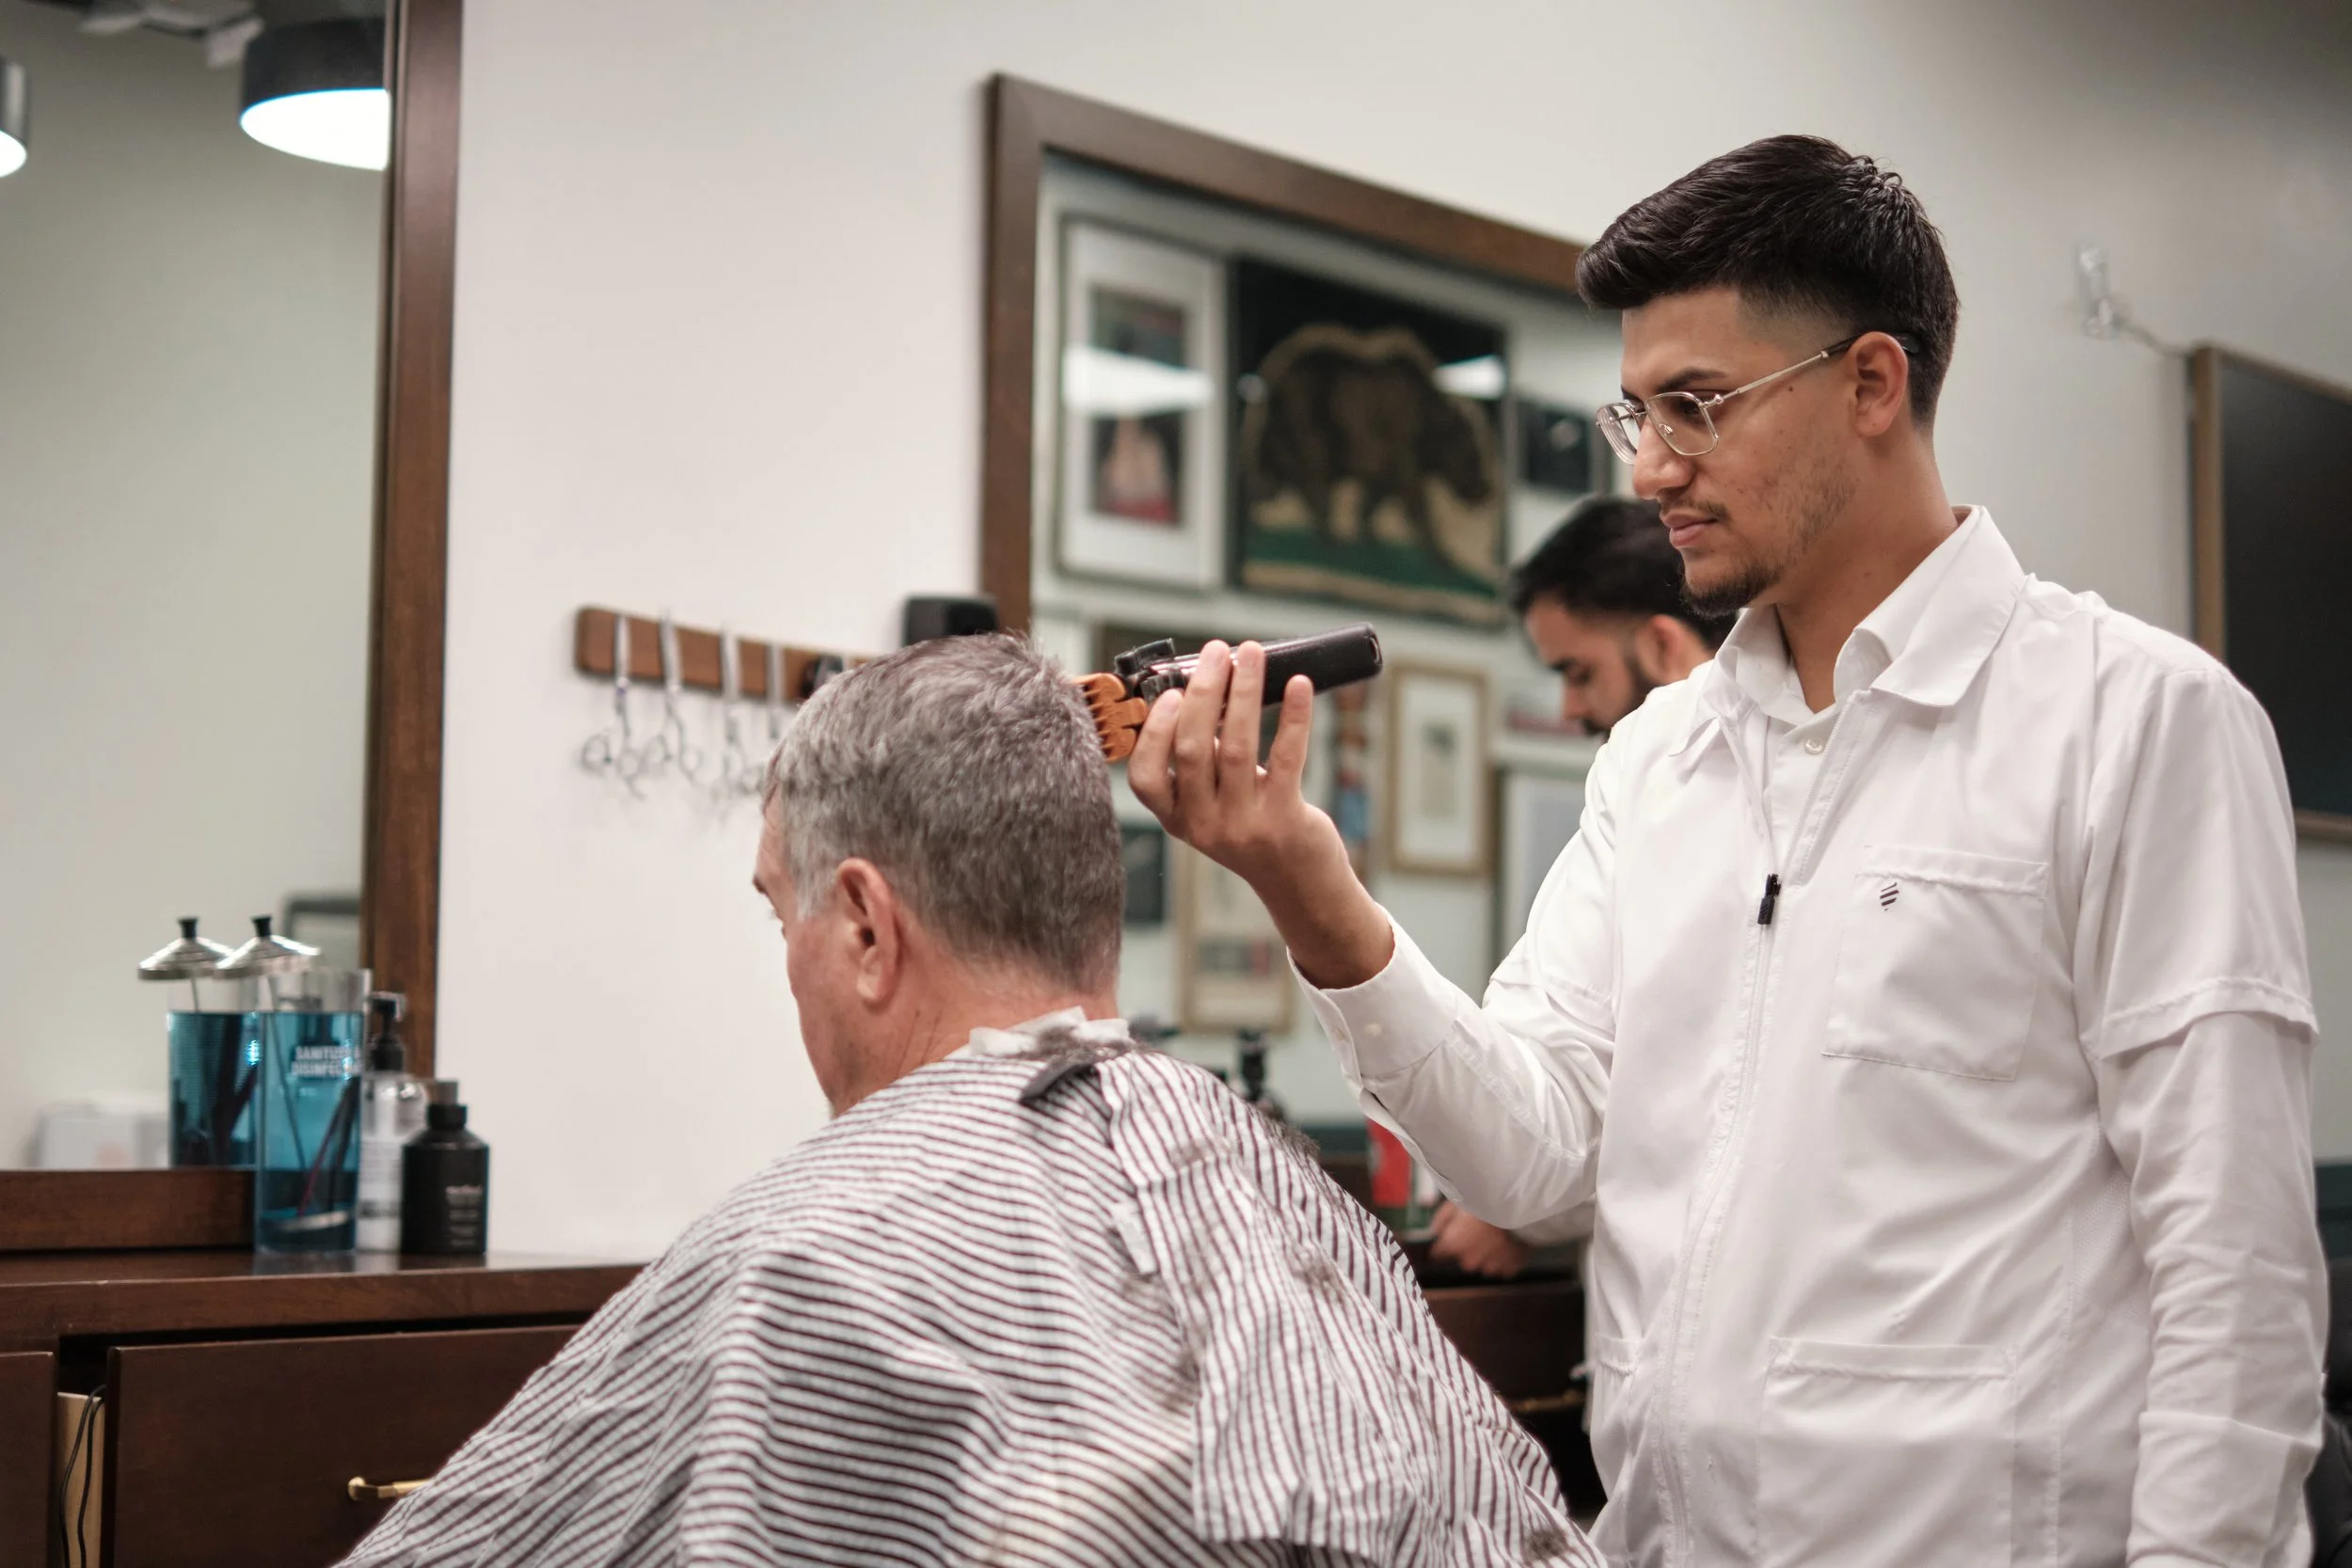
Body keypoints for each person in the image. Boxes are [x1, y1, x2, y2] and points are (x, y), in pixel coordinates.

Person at [1129, 135, 2324, 1566]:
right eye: (1634, 412)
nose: (1652, 469)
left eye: (1697, 406)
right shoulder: (1658, 760)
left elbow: (2236, 1280)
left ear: (1873, 382)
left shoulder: (2134, 724)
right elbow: (1533, 1154)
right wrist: (1305, 883)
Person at [341, 634, 1597, 1568]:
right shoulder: (1272, 1184)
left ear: (871, 927)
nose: (789, 957)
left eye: (784, 913)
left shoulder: (803, 1257)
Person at [1431, 497, 1734, 1280]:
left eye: (1578, 671)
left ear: (1665, 646)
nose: (1570, 708)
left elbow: (1709, 1111)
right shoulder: (1632, 814)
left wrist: (1537, 1221)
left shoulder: (1752, 833)